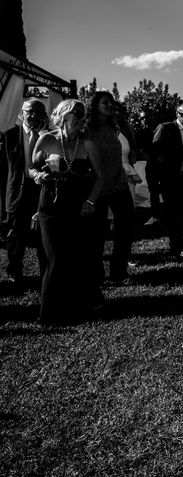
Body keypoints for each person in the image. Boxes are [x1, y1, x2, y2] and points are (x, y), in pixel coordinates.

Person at [30, 99, 103, 324]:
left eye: (83, 115)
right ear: (63, 117)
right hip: (50, 207)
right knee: (55, 258)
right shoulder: (47, 139)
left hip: (76, 207)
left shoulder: (87, 143)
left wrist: (90, 202)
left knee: (75, 257)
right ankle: (49, 314)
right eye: (76, 115)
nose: (81, 119)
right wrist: (39, 175)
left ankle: (76, 307)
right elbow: (32, 168)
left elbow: (100, 176)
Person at [86, 92, 135, 284]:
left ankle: (119, 273)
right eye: (104, 102)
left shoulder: (115, 126)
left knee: (126, 230)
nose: (109, 105)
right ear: (95, 105)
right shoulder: (88, 129)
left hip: (119, 185)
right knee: (98, 236)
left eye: (111, 102)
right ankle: (96, 275)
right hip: (98, 189)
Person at [1, 99, 48, 286]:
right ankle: (14, 269)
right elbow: (3, 168)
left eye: (38, 111)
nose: (34, 115)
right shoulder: (9, 135)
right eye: (30, 111)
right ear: (22, 112)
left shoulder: (50, 136)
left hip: (42, 190)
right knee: (15, 234)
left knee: (42, 233)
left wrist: (45, 132)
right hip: (17, 190)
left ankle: (46, 270)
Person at [151, 101, 183, 258]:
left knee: (181, 213)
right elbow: (155, 152)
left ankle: (178, 243)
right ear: (176, 114)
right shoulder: (165, 128)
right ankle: (177, 245)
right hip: (170, 179)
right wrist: (159, 175)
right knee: (172, 213)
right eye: (182, 115)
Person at [136, 110, 161, 226]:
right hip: (151, 164)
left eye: (146, 117)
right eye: (142, 118)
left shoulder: (159, 130)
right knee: (153, 192)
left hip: (162, 164)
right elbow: (140, 151)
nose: (144, 120)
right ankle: (156, 216)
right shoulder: (140, 133)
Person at [114, 101, 142, 202]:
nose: (116, 113)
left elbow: (133, 150)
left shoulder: (128, 128)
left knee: (128, 204)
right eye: (114, 110)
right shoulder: (102, 129)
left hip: (127, 170)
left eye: (118, 111)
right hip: (109, 173)